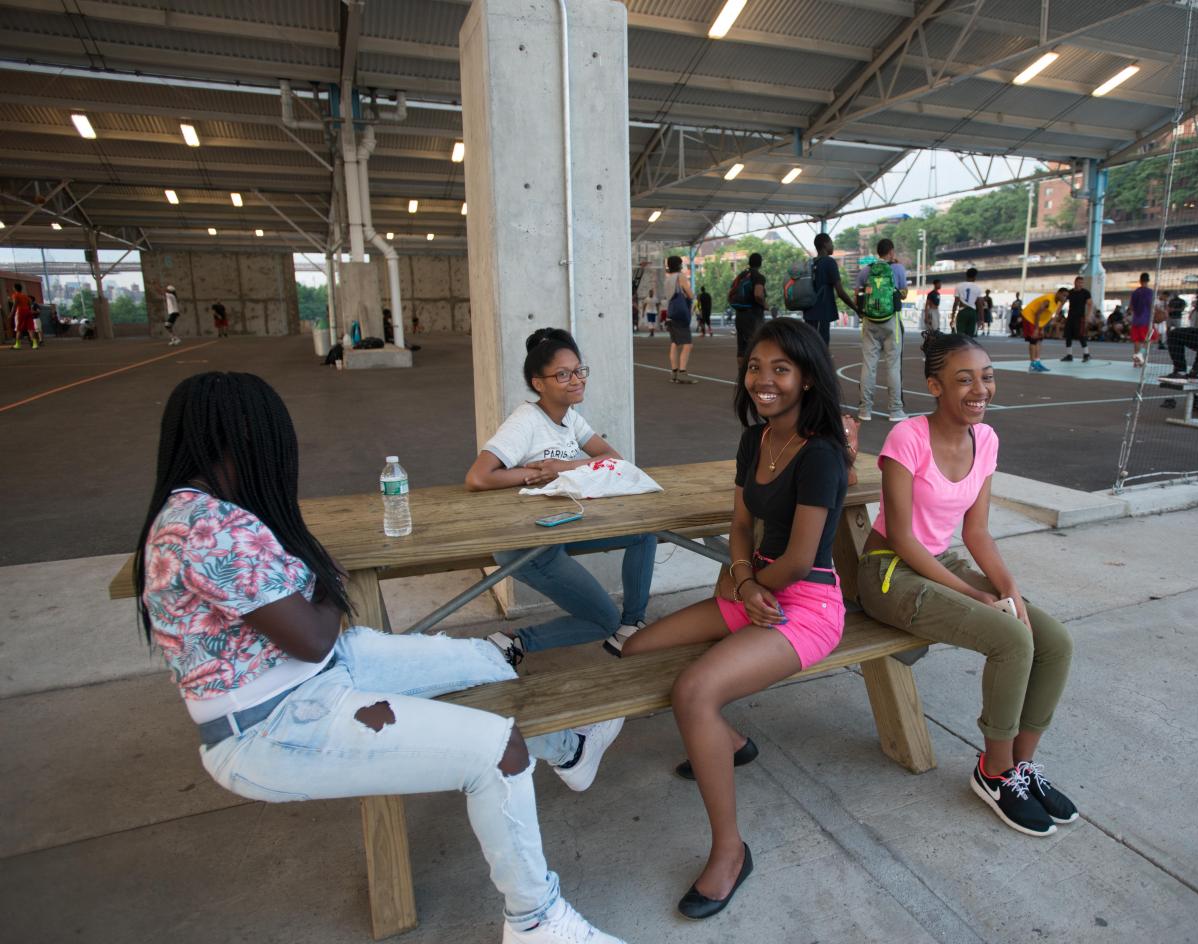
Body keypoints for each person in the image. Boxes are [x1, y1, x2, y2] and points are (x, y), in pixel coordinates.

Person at [136, 372, 628, 944]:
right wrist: (327, 578)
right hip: (272, 721)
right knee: (495, 753)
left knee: (487, 664)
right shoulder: (206, 528)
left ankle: (571, 753)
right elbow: (315, 632)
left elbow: (312, 622)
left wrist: (320, 582)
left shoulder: (211, 509)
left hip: (322, 671)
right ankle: (535, 920)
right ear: (247, 438)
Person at [621, 319, 850, 919]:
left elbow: (802, 557)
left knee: (694, 689)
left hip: (806, 604)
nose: (764, 380)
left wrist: (749, 584)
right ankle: (732, 745)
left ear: (806, 377)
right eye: (755, 366)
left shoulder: (821, 453)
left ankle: (729, 852)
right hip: (756, 584)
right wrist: (743, 576)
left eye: (781, 369)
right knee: (637, 650)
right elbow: (742, 524)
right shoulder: (757, 439)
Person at [856, 332, 1074, 837]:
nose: (980, 388)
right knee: (1011, 639)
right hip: (891, 571)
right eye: (964, 380)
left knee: (1053, 640)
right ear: (935, 386)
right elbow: (904, 538)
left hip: (942, 560)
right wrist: (977, 596)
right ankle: (993, 773)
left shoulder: (987, 439)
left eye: (987, 376)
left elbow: (976, 532)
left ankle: (1021, 767)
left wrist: (1010, 593)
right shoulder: (907, 438)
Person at [466, 329, 657, 661]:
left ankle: (631, 625)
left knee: (644, 533)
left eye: (579, 371)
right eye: (563, 374)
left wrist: (561, 467)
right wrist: (534, 473)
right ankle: (512, 642)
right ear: (539, 383)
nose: (576, 380)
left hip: (559, 529)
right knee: (602, 620)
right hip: (527, 545)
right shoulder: (525, 421)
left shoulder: (570, 417)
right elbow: (478, 477)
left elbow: (613, 459)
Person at [855, 238, 909, 422]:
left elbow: (858, 295)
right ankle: (895, 410)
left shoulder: (866, 270)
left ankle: (865, 409)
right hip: (891, 320)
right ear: (891, 252)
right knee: (893, 365)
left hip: (870, 321)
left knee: (869, 365)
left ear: (878, 252)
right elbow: (903, 293)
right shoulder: (898, 269)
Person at [802, 232, 861, 347]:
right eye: (831, 243)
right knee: (821, 348)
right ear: (825, 244)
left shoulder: (811, 263)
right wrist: (855, 308)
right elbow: (840, 291)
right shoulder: (829, 262)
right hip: (821, 313)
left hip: (809, 311)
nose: (833, 246)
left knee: (810, 346)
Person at [663, 256, 698, 384]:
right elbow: (690, 294)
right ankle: (683, 373)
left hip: (671, 313)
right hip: (680, 315)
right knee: (688, 344)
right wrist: (692, 296)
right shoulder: (680, 277)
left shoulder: (667, 279)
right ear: (679, 265)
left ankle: (674, 372)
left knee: (675, 343)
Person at [730, 253, 767, 372]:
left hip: (740, 314)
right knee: (756, 343)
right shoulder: (758, 276)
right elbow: (758, 294)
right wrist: (764, 304)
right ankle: (755, 371)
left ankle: (742, 373)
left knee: (741, 347)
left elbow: (730, 292)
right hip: (753, 315)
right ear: (760, 263)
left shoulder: (741, 275)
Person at [1020, 288, 1069, 373]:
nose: (1065, 298)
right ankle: (1032, 364)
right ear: (1058, 293)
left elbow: (1046, 316)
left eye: (1066, 297)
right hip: (1029, 317)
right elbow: (1037, 313)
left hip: (1038, 320)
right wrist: (1036, 329)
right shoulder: (1048, 301)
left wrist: (1041, 328)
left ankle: (1037, 362)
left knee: (1039, 340)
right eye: (1064, 295)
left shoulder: (1057, 303)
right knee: (1033, 340)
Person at [1060, 275, 1091, 363]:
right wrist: (1057, 312)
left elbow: (1090, 304)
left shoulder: (1085, 293)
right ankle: (1069, 355)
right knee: (1068, 336)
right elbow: (1063, 302)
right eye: (1079, 282)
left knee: (1081, 335)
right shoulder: (1070, 292)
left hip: (1080, 318)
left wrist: (1088, 316)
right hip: (1070, 317)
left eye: (1082, 283)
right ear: (1075, 283)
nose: (1081, 284)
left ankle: (1086, 354)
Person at [1129, 273, 1156, 367]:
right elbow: (1152, 306)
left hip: (1136, 320)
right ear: (1148, 281)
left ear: (1140, 281)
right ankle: (1140, 355)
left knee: (1136, 340)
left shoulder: (1135, 292)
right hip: (1146, 320)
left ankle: (1136, 361)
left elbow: (1131, 307)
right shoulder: (1150, 292)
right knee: (1149, 339)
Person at [951, 267, 982, 337]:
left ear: (966, 275)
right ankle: (968, 347)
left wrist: (952, 317)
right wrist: (981, 319)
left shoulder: (959, 286)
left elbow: (955, 303)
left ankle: (960, 347)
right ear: (975, 277)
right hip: (972, 312)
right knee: (970, 336)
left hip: (962, 312)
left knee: (960, 335)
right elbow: (980, 305)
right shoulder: (977, 287)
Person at [9, 283, 38, 350]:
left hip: (20, 312)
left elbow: (14, 305)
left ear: (14, 288)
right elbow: (30, 303)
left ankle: (17, 345)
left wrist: (11, 314)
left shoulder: (15, 295)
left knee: (18, 329)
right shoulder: (25, 296)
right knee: (30, 328)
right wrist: (30, 309)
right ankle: (35, 344)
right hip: (28, 311)